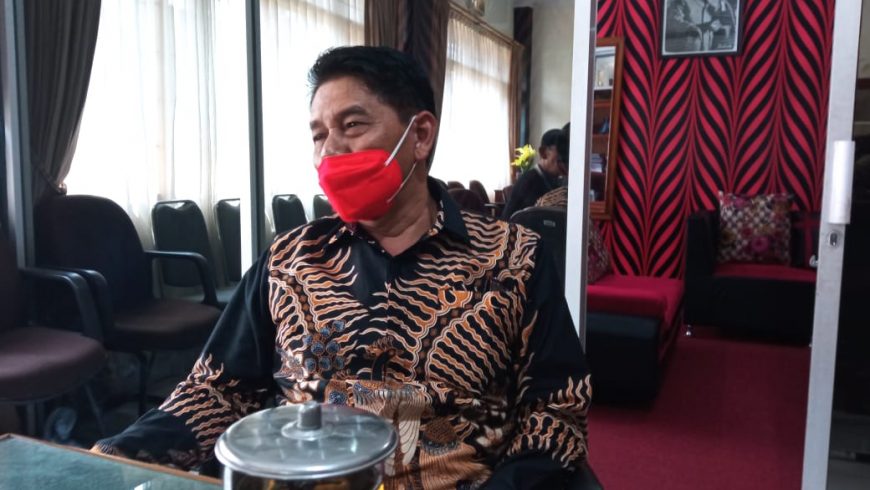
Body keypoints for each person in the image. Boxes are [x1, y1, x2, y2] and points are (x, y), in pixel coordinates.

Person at [92, 46, 591, 489]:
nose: (329, 150)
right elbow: (215, 390)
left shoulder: (513, 259)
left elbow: (557, 413)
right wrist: (111, 459)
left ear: (419, 135)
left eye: (352, 126)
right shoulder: (289, 261)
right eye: (318, 135)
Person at [501, 128, 567, 220]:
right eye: (561, 152)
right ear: (543, 152)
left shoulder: (555, 180)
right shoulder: (528, 181)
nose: (565, 158)